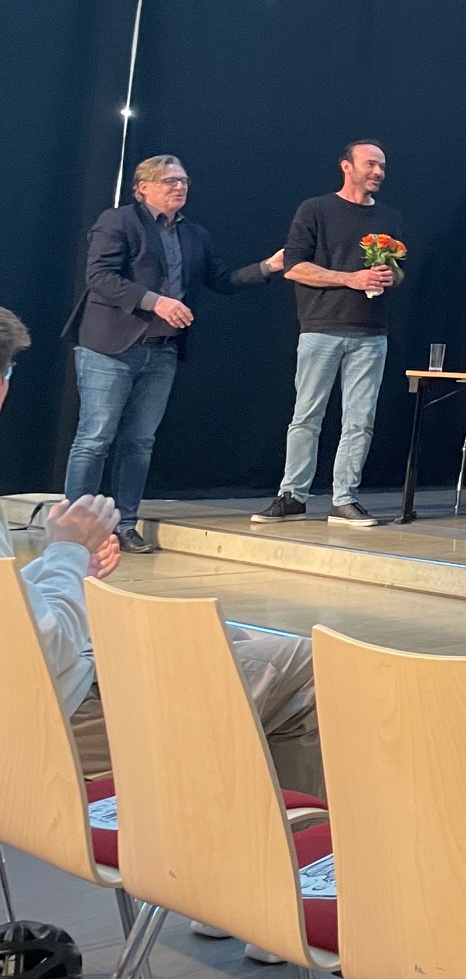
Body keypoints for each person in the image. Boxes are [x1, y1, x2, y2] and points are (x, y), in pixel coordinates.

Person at [0, 307, 323, 800]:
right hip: (49, 722)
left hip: (43, 699)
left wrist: (66, 563)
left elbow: (14, 615)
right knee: (311, 666)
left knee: (226, 637)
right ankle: (274, 839)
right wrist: (66, 552)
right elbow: (39, 654)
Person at [61, 155, 284, 551]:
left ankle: (125, 524)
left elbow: (220, 280)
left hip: (161, 352)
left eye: (183, 181)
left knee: (139, 442)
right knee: (95, 438)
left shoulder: (195, 234)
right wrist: (156, 302)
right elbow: (99, 277)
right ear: (143, 187)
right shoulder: (118, 221)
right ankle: (76, 531)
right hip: (110, 347)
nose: (179, 187)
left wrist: (267, 266)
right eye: (169, 181)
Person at [254, 142, 406, 528]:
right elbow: (294, 267)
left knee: (360, 419)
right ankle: (293, 495)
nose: (378, 172)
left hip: (371, 332)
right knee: (307, 416)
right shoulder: (316, 209)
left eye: (382, 166)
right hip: (321, 328)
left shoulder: (389, 217)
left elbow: (399, 272)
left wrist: (390, 276)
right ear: (346, 166)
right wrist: (350, 278)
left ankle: (345, 499)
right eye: (370, 164)